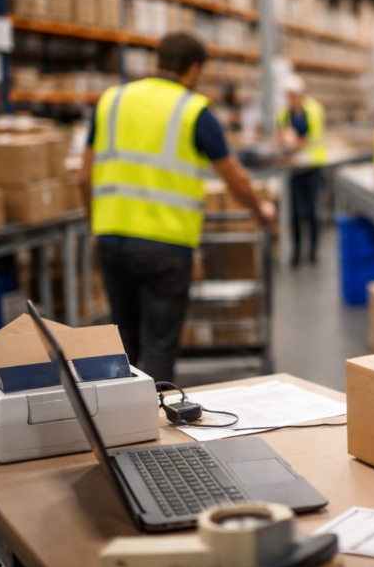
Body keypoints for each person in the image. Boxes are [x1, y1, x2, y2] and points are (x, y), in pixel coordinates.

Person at [79, 32, 275, 383]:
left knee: (122, 343)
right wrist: (260, 212)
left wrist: (95, 226)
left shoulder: (112, 100)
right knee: (159, 345)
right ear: (194, 69)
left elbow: (84, 177)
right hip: (164, 245)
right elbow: (234, 177)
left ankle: (120, 427)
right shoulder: (193, 109)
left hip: (111, 239)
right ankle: (154, 427)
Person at [278, 74, 327, 266]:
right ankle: (296, 252)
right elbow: (280, 135)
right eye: (288, 95)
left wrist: (294, 142)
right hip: (294, 167)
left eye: (294, 95)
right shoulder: (283, 113)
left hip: (312, 165)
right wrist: (283, 141)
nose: (291, 99)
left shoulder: (314, 110)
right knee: (296, 212)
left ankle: (313, 251)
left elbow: (313, 136)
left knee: (312, 210)